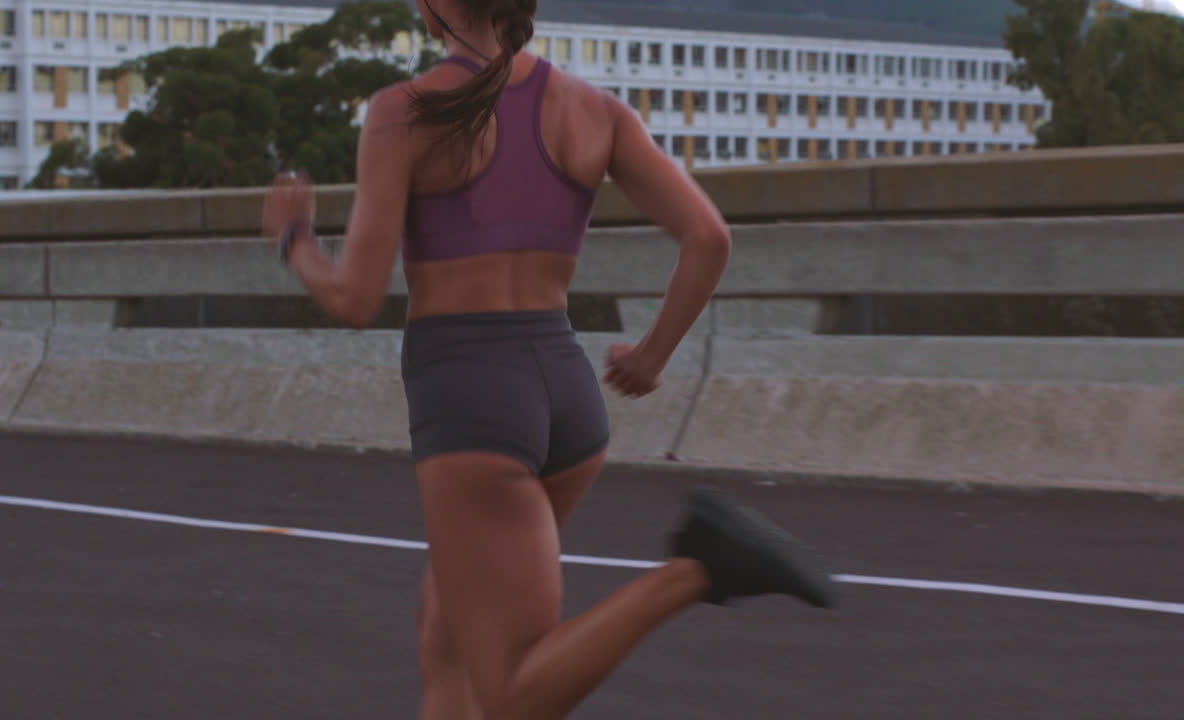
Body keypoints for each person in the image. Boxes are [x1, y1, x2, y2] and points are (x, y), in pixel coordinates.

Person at [262, 1, 837, 717]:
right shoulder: (593, 109)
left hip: (471, 402)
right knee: (445, 637)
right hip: (566, 395)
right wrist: (652, 356)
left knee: (511, 692)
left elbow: (354, 299)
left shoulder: (402, 112)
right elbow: (708, 237)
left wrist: (295, 241)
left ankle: (696, 570)